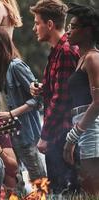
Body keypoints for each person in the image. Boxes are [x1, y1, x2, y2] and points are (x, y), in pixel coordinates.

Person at [0, 26, 46, 192]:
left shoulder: (16, 67)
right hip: (5, 133)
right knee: (15, 177)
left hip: (25, 132)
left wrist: (11, 113)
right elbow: (0, 97)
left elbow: (39, 99)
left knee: (38, 178)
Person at [29, 0, 80, 194]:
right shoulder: (58, 50)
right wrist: (43, 89)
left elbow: (62, 99)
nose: (35, 28)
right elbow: (62, 87)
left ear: (49, 24)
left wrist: (44, 136)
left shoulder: (65, 51)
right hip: (61, 133)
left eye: (36, 23)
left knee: (62, 192)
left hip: (63, 135)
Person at [62, 3, 99, 195]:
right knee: (88, 188)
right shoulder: (81, 59)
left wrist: (73, 136)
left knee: (93, 190)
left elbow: (98, 101)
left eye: (73, 27)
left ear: (88, 31)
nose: (68, 31)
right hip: (83, 126)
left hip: (92, 128)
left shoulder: (93, 58)